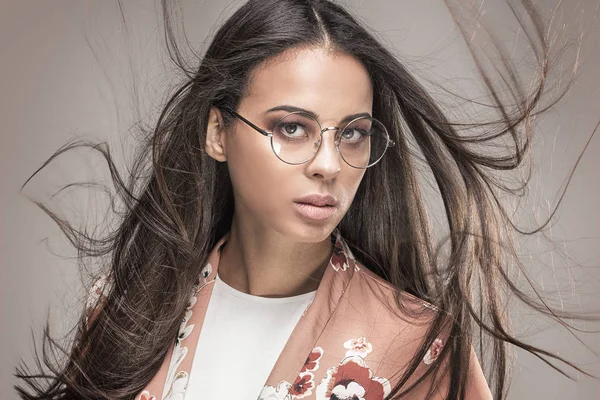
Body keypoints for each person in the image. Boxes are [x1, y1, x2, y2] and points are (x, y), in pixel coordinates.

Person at [14, 0, 593, 399]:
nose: (326, 162)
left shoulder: (418, 346)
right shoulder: (125, 311)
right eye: (292, 127)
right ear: (218, 132)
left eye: (352, 133)